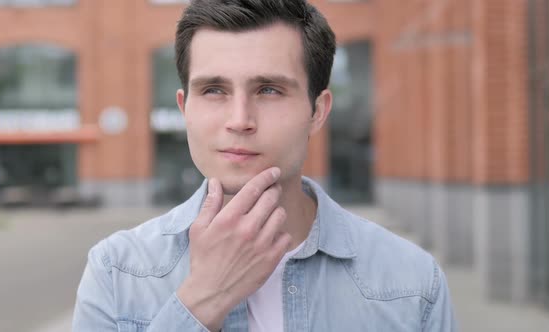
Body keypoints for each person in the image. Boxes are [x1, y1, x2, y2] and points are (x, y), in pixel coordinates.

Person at [73, 0, 457, 331]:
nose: (240, 119)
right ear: (184, 107)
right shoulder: (117, 272)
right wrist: (202, 302)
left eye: (269, 90)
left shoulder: (412, 283)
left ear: (317, 112)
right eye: (213, 90)